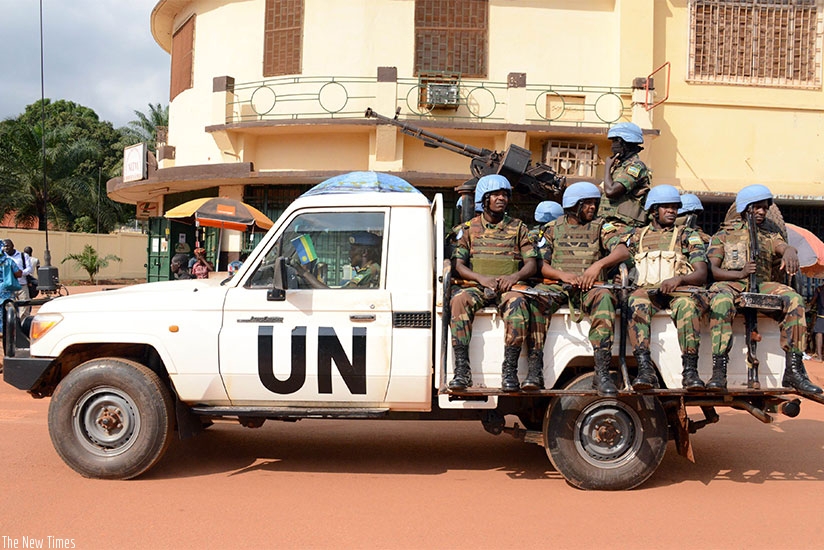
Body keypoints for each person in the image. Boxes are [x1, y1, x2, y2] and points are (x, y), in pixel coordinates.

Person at [706, 184, 821, 393]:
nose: (762, 212)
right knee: (720, 301)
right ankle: (719, 370)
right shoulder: (723, 234)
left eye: (765, 208)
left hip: (761, 284)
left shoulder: (770, 233)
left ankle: (793, 370)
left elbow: (782, 245)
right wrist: (739, 274)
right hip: (730, 283)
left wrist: (789, 250)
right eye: (757, 207)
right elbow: (713, 270)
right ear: (744, 207)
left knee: (794, 299)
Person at [524, 182, 628, 395]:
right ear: (573, 205)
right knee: (535, 301)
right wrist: (562, 275)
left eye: (594, 203)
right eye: (587, 203)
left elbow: (622, 251)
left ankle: (601, 372)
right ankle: (535, 370)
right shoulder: (552, 228)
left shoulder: (602, 226)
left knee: (606, 297)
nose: (592, 207)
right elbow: (540, 264)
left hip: (592, 288)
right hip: (560, 286)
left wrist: (598, 265)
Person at [448, 174, 538, 392]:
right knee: (459, 300)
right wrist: (481, 279)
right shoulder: (468, 229)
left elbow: (532, 264)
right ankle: (462, 370)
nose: (502, 198)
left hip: (509, 287)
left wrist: (513, 277)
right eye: (496, 194)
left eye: (505, 194)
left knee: (518, 305)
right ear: (484, 198)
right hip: (478, 286)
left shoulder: (518, 228)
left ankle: (509, 371)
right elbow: (459, 265)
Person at [622, 185, 709, 391]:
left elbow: (701, 272)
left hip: (678, 291)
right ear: (653, 211)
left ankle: (690, 371)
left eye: (674, 207)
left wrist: (679, 279)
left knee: (687, 307)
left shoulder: (685, 235)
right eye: (666, 207)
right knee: (635, 302)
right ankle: (645, 369)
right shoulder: (637, 236)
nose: (672, 211)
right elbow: (620, 260)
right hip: (648, 291)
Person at [598, 122, 651, 229]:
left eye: (616, 141)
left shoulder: (636, 167)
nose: (613, 145)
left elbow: (611, 191)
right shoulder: (619, 166)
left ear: (627, 144)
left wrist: (607, 167)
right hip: (610, 223)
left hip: (627, 227)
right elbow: (601, 189)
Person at [294, 232, 382, 289]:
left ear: (364, 252)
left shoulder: (370, 272)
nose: (349, 253)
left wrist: (304, 274)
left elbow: (333, 296)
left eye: (352, 249)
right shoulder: (369, 270)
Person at [3, 239, 33, 318]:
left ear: (13, 246)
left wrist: (20, 273)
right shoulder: (3, 258)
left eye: (7, 246)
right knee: (8, 309)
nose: (5, 248)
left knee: (25, 308)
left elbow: (30, 269)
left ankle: (22, 327)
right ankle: (11, 327)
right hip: (8, 287)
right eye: (4, 246)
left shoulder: (23, 256)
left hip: (22, 286)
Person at [810, 284, 824, 362]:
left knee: (819, 334)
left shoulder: (819, 289)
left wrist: (808, 306)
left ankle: (819, 356)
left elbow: (812, 302)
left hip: (822, 315)